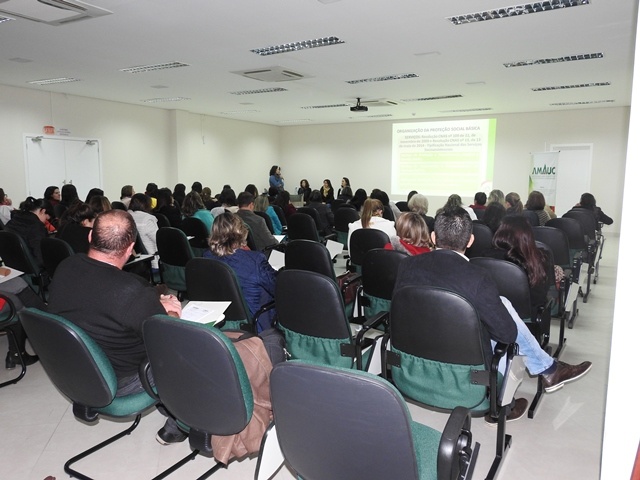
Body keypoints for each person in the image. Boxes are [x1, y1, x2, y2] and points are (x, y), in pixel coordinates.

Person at [394, 207, 592, 422]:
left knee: (500, 307)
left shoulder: (406, 265)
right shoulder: (478, 278)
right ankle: (514, 397)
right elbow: (507, 335)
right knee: (504, 319)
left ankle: (548, 369)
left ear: (433, 237)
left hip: (411, 357)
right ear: (470, 240)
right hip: (465, 365)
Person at [47, 209, 185, 444]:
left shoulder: (66, 266)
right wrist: (171, 309)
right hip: (123, 380)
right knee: (193, 350)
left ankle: (170, 406)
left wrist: (152, 302)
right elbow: (167, 335)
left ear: (90, 237)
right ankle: (181, 424)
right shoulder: (130, 292)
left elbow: (100, 301)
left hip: (78, 372)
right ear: (131, 249)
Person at [204, 212, 277, 332]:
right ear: (241, 232)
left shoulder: (206, 257)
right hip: (254, 320)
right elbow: (276, 287)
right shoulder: (256, 260)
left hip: (223, 317)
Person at [485, 215, 551, 319]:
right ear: (528, 235)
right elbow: (540, 297)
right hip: (526, 319)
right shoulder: (539, 258)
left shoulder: (483, 257)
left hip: (489, 314)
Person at [4, 197, 49, 268]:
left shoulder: (14, 220)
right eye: (46, 218)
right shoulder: (36, 226)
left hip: (13, 264)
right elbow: (39, 256)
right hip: (32, 268)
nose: (45, 222)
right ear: (43, 211)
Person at [128, 193, 159, 269]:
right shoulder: (148, 219)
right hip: (153, 260)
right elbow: (158, 241)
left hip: (137, 260)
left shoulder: (128, 216)